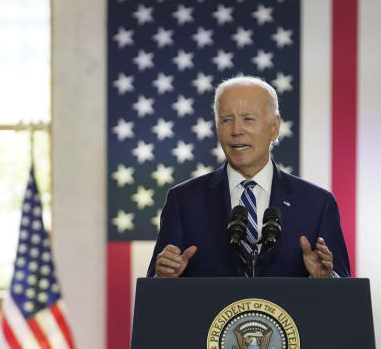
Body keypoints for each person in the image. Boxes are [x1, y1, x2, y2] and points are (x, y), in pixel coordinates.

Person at [148, 76, 351, 278]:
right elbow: (154, 295)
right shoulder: (183, 201)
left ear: (274, 126)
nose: (236, 131)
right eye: (226, 120)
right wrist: (164, 278)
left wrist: (327, 280)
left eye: (248, 119)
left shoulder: (317, 204)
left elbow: (344, 296)